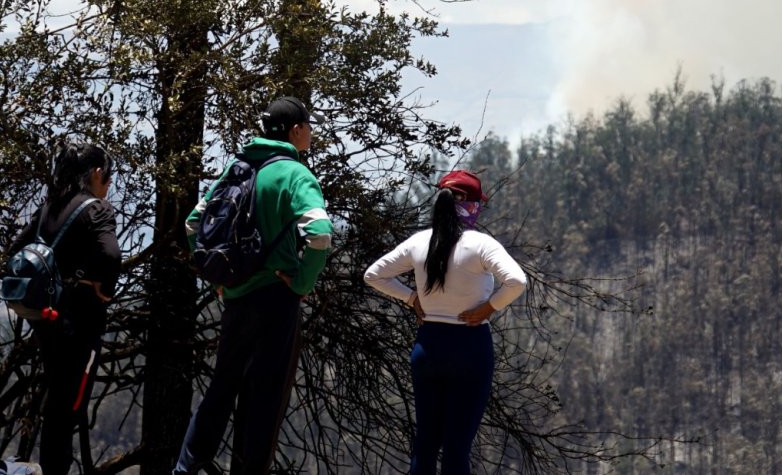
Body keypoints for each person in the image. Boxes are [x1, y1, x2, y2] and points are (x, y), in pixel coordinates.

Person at [174, 96, 333, 475]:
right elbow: (320, 234)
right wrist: (301, 282)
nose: (310, 133)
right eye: (308, 127)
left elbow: (193, 224)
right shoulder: (295, 174)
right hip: (277, 298)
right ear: (296, 130)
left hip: (236, 295)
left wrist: (218, 277)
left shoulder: (237, 166)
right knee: (266, 392)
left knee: (223, 384)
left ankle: (187, 466)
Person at [363, 170, 527, 475]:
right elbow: (517, 281)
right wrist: (489, 308)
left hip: (427, 347)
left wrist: (412, 299)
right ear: (469, 204)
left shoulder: (419, 241)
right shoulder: (480, 244)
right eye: (478, 203)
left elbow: (372, 275)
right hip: (470, 345)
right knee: (456, 449)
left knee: (425, 445)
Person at [8, 142, 121, 475]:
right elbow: (111, 255)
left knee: (57, 402)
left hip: (47, 319)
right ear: (97, 173)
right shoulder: (97, 209)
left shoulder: (47, 209)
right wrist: (102, 286)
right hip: (82, 321)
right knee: (70, 407)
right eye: (108, 176)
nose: (109, 184)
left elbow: (15, 250)